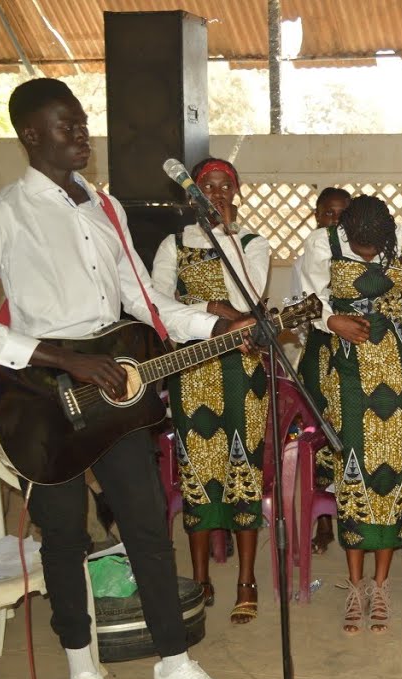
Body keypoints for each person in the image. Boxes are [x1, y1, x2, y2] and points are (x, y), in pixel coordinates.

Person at [0, 78, 243, 679]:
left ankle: (174, 665)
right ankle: (83, 673)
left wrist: (216, 326)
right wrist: (63, 357)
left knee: (148, 526)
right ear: (30, 135)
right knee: (65, 538)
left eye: (82, 123)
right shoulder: (5, 213)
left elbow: (144, 302)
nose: (82, 135)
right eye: (65, 125)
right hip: (39, 396)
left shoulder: (106, 209)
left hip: (114, 392)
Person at [298, 195, 402, 634]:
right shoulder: (322, 243)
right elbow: (307, 298)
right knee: (352, 470)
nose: (367, 255)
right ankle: (355, 584)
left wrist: (392, 325)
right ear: (346, 234)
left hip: (395, 375)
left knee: (389, 474)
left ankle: (380, 585)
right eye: (359, 248)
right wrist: (331, 321)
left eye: (374, 248)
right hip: (345, 375)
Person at [151, 157, 272, 624]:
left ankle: (246, 579)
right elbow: (159, 303)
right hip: (193, 369)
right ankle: (199, 578)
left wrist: (225, 236)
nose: (217, 193)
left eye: (225, 186)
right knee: (199, 473)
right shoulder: (173, 244)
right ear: (192, 194)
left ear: (235, 193)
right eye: (208, 186)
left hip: (244, 370)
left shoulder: (251, 243)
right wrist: (206, 306)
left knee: (244, 469)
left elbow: (247, 300)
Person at [300, 187, 352, 556]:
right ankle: (323, 523)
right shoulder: (316, 244)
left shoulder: (358, 245)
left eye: (342, 214)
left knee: (354, 430)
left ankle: (356, 514)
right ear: (318, 215)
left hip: (353, 347)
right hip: (322, 347)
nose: (335, 220)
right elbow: (307, 302)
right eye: (329, 213)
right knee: (321, 430)